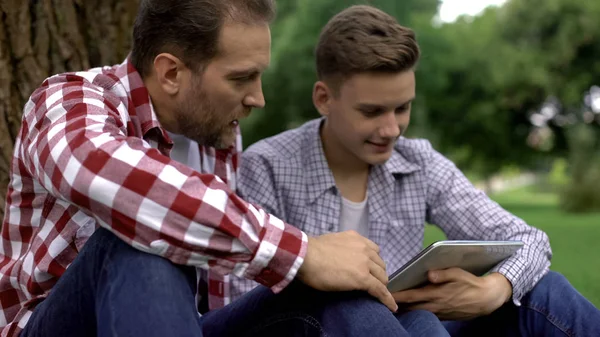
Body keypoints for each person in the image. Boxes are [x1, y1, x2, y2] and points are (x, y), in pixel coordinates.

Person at [0, 1, 447, 336]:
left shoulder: (217, 134)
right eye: (240, 78)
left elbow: (225, 294)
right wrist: (301, 252)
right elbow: (106, 173)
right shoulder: (70, 100)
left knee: (346, 291)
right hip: (60, 326)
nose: (258, 98)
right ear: (171, 73)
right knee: (140, 239)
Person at [234, 4, 600, 337]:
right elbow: (247, 306)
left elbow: (529, 239)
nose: (392, 129)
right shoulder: (267, 166)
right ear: (324, 99)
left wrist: (495, 289)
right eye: (372, 112)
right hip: (323, 331)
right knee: (404, 316)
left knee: (546, 291)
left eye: (402, 108)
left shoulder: (417, 162)